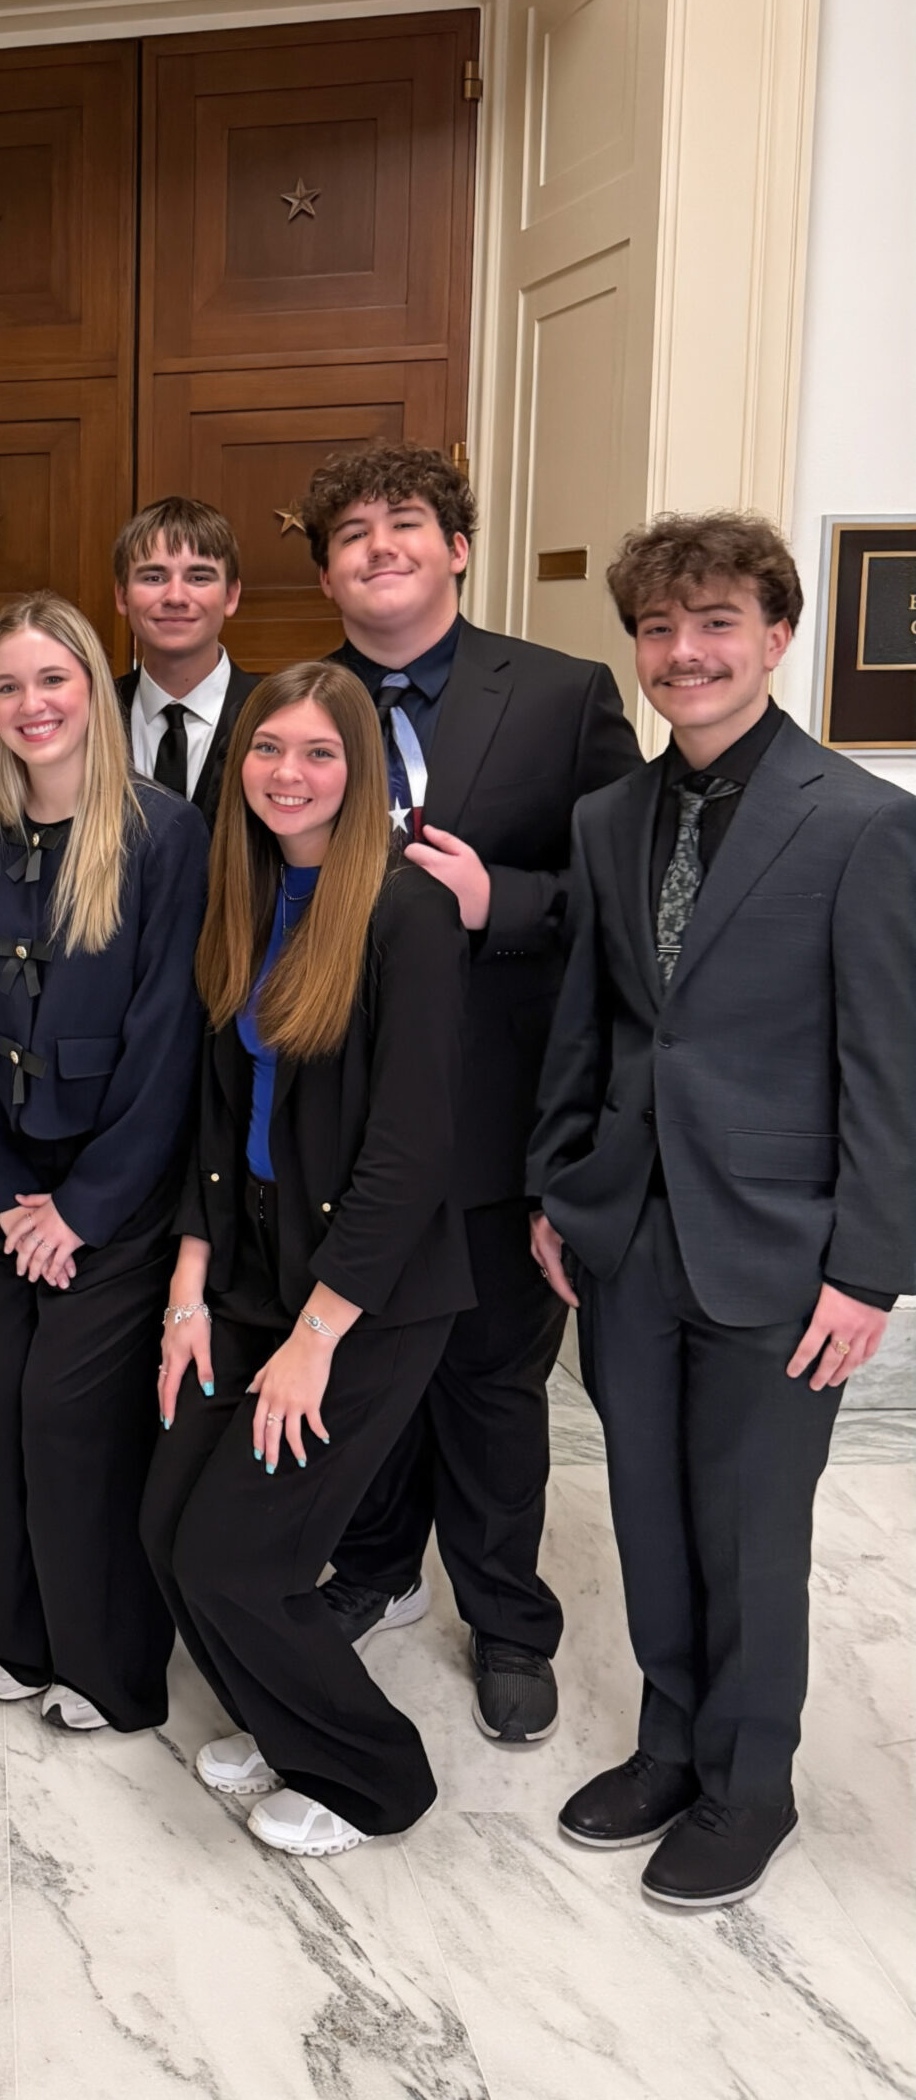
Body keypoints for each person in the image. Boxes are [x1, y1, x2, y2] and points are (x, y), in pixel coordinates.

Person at [529, 514, 916, 1910]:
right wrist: (553, 1189)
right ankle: (670, 1747)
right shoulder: (607, 817)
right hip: (626, 1235)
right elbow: (590, 1029)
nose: (682, 654)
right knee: (648, 1512)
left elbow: (889, 1067)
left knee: (749, 1531)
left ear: (775, 637)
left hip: (783, 1249)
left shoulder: (864, 823)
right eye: (657, 628)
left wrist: (866, 1272)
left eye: (713, 625)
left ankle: (749, 1788)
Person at [303, 441, 640, 1746]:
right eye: (350, 534)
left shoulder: (560, 695)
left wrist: (505, 903)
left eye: (406, 524)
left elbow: (616, 900)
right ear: (326, 569)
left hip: (502, 1111)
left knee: (494, 1383)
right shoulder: (296, 704)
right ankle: (377, 1567)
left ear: (455, 547)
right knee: (369, 1363)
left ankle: (505, 1617)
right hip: (347, 1113)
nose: (378, 546)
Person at [141, 663, 472, 1856]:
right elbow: (212, 1116)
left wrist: (315, 1341)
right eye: (267, 748)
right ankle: (282, 1724)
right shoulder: (245, 894)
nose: (288, 772)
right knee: (166, 1525)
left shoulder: (405, 910)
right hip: (245, 1261)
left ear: (360, 769)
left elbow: (412, 1149)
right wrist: (188, 1294)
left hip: (367, 1293)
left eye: (317, 752)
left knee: (240, 1553)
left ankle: (370, 1781)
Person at [0, 594, 208, 1732]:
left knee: (67, 1414)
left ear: (94, 687)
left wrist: (81, 1208)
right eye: (8, 686)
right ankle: (10, 1628)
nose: (32, 704)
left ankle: (106, 1663)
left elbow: (168, 1042)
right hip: (1, 1187)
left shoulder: (160, 833)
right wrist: (3, 1197)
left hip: (118, 1190)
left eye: (53, 680)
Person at [113, 496, 258, 828]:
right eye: (153, 577)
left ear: (231, 596)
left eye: (199, 577)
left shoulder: (274, 713)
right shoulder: (91, 714)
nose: (176, 597)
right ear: (122, 596)